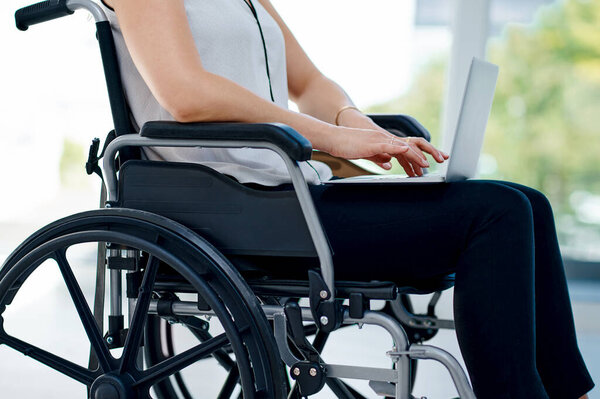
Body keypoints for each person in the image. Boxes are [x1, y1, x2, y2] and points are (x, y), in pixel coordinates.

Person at [99, 0, 594, 397]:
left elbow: (311, 84)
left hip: (289, 187)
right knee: (498, 214)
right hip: (234, 202)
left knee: (529, 204)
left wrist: (364, 130)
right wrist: (330, 140)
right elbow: (187, 93)